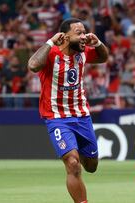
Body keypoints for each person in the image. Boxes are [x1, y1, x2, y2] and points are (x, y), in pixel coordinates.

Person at [27, 18, 108, 203]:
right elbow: (32, 65)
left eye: (84, 32)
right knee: (73, 164)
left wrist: (98, 43)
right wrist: (49, 42)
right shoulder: (51, 54)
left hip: (82, 116)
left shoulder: (84, 51)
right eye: (79, 33)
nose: (84, 36)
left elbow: (103, 58)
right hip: (57, 118)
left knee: (91, 166)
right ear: (64, 36)